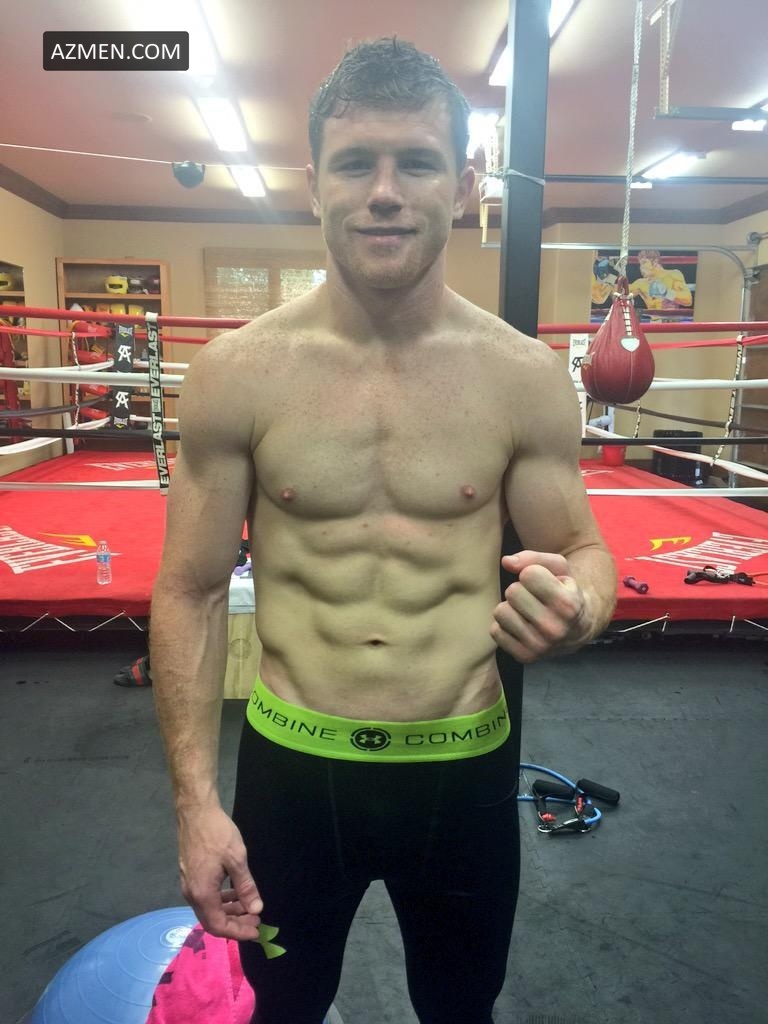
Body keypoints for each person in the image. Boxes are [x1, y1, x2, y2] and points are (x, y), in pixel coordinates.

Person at [150, 37, 617, 1024]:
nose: (386, 193)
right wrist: (195, 804)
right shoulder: (237, 374)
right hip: (291, 774)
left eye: (418, 162)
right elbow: (189, 589)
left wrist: (580, 607)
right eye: (357, 162)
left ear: (466, 183)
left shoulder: (523, 377)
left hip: (462, 774)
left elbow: (587, 553)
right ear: (314, 181)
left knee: (459, 1009)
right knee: (278, 1010)